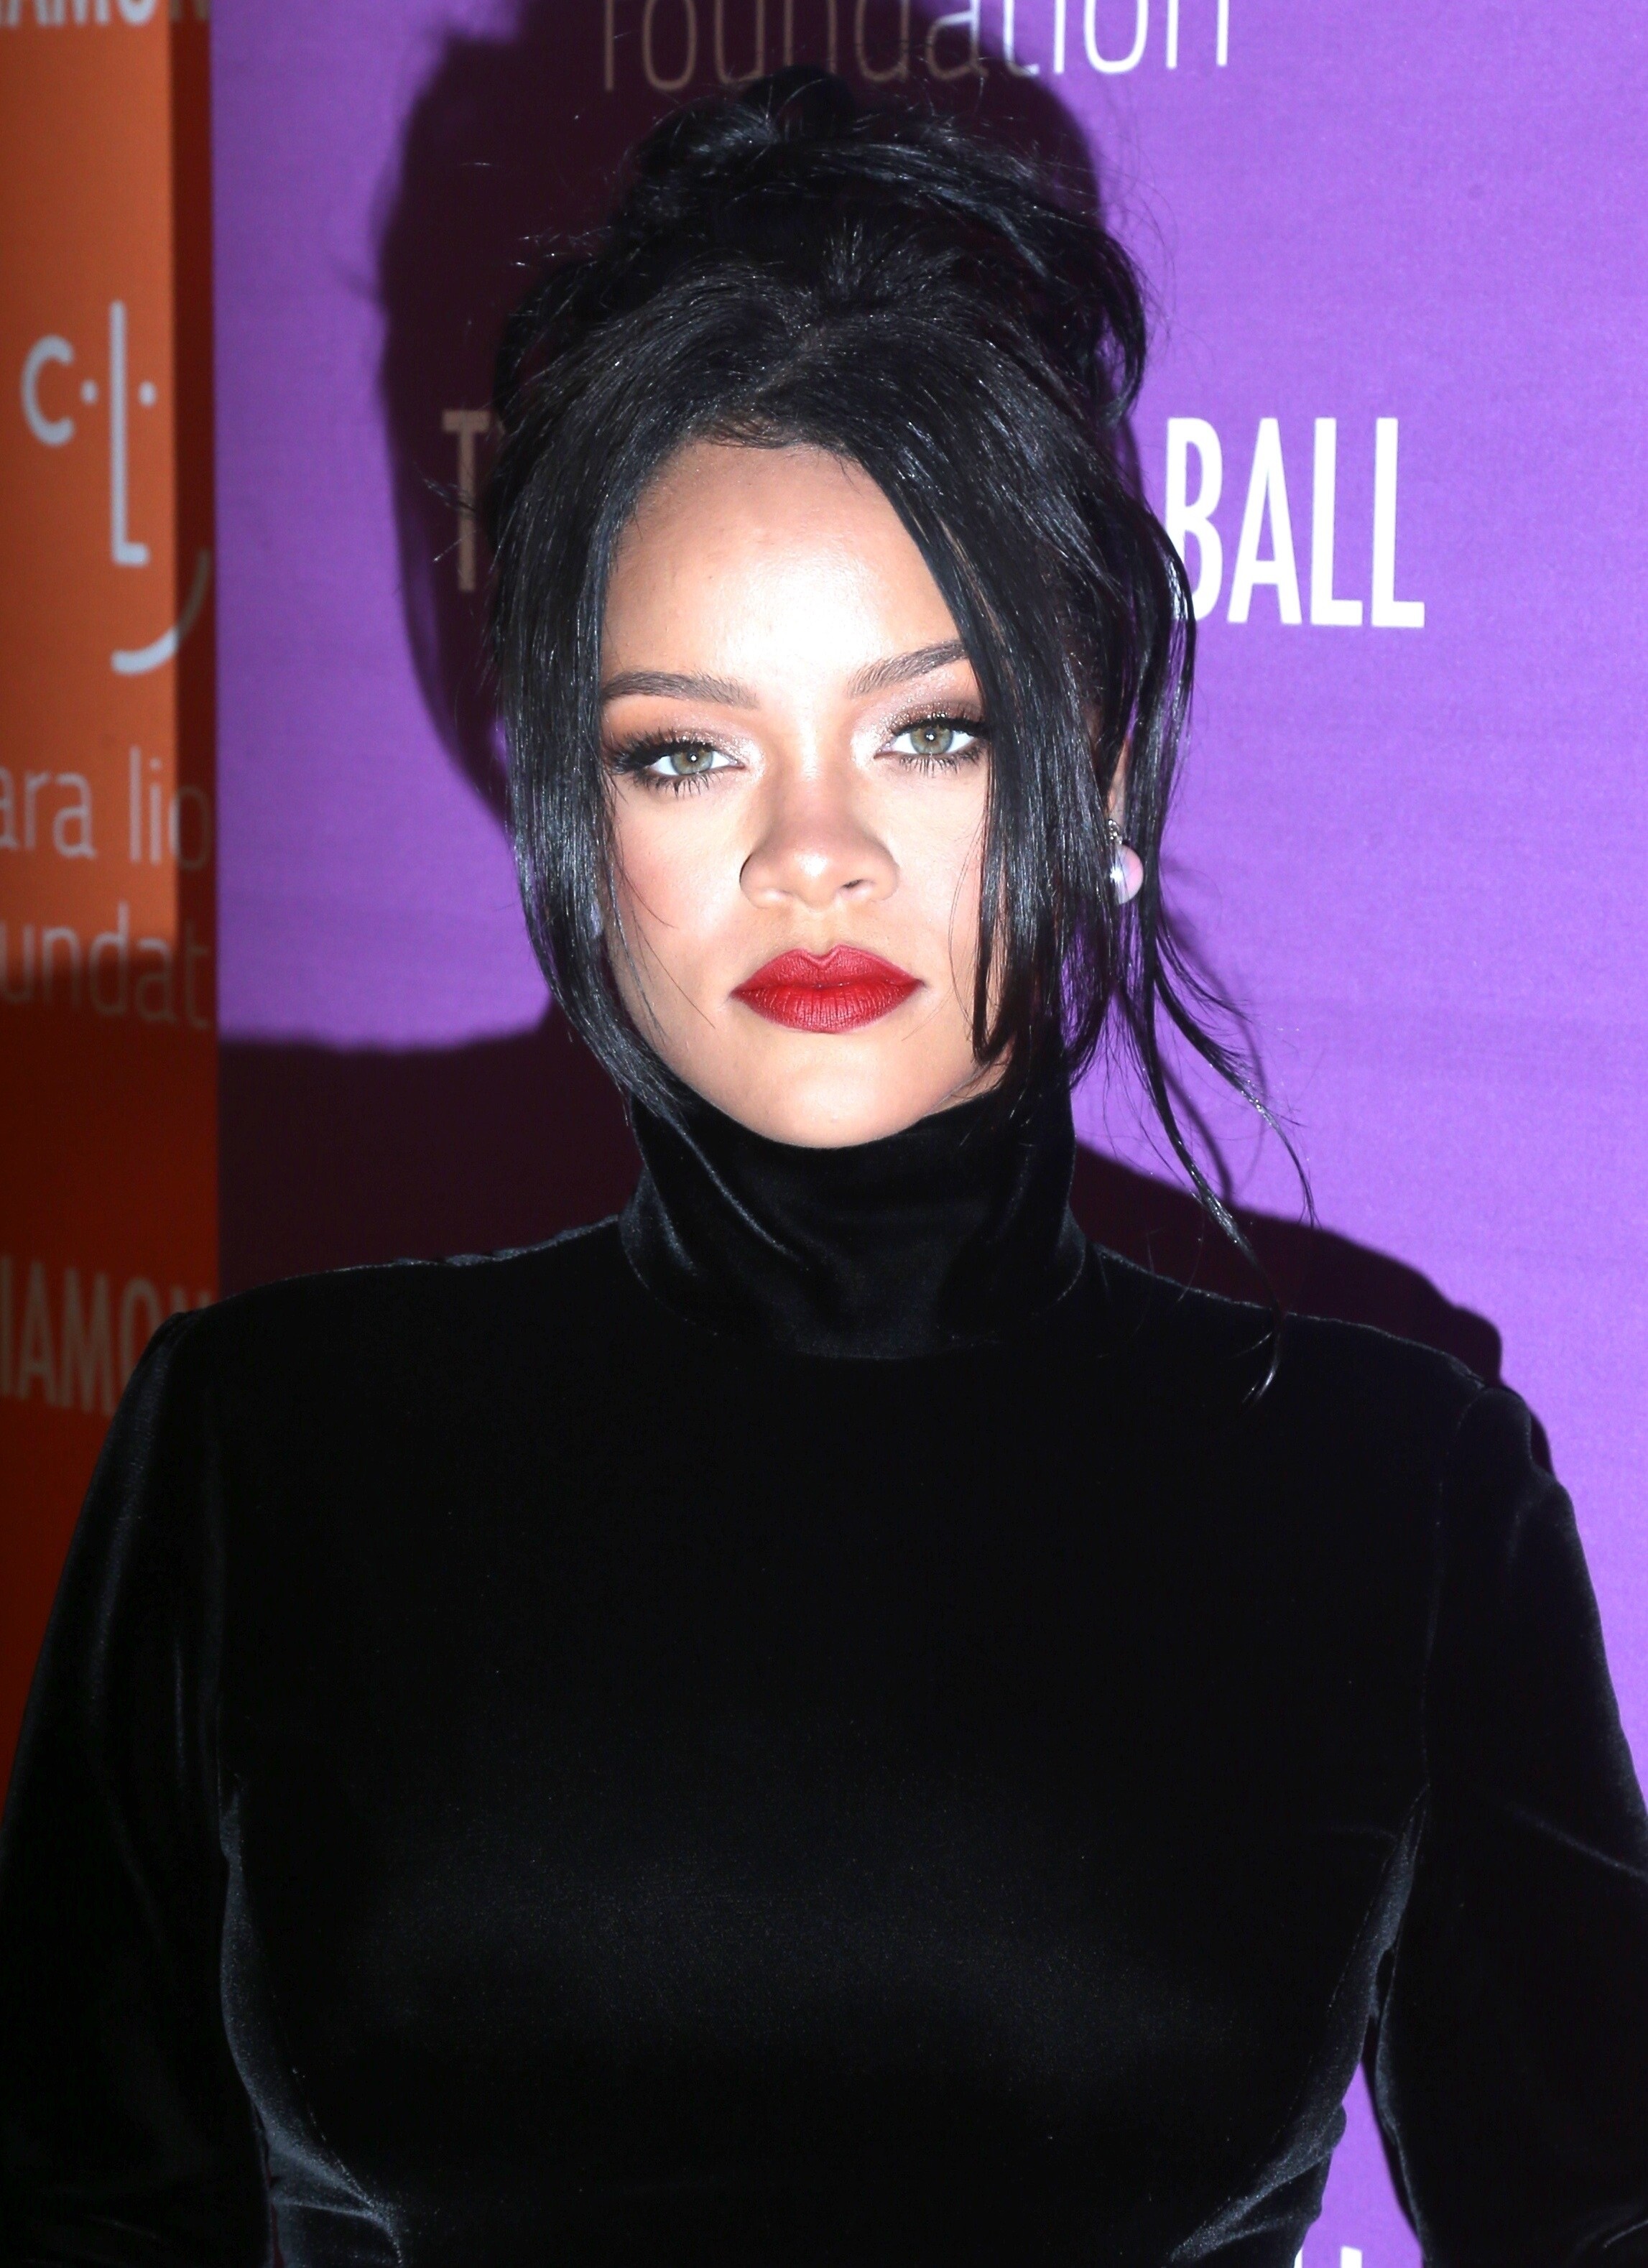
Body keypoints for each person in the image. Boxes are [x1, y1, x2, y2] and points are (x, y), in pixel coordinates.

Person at [4, 67, 1647, 2268]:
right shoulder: (258, 1452)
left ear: (1107, 762)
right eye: (688, 750)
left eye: (930, 730)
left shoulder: (1399, 1495)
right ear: (574, 804)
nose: (811, 853)